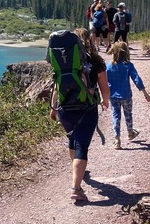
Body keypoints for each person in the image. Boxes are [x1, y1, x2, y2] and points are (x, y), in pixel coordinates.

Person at [49, 27, 110, 202]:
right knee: (82, 145)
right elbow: (104, 87)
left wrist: (53, 109)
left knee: (72, 138)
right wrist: (105, 101)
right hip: (86, 109)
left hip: (64, 110)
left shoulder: (62, 63)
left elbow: (56, 86)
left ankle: (76, 167)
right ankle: (76, 188)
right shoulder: (96, 61)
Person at [106, 41, 150, 149]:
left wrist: (104, 96)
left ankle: (117, 140)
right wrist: (145, 93)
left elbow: (104, 81)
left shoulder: (108, 66)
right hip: (126, 95)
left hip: (113, 96)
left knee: (116, 116)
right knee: (128, 114)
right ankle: (130, 133)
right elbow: (136, 79)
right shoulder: (128, 65)